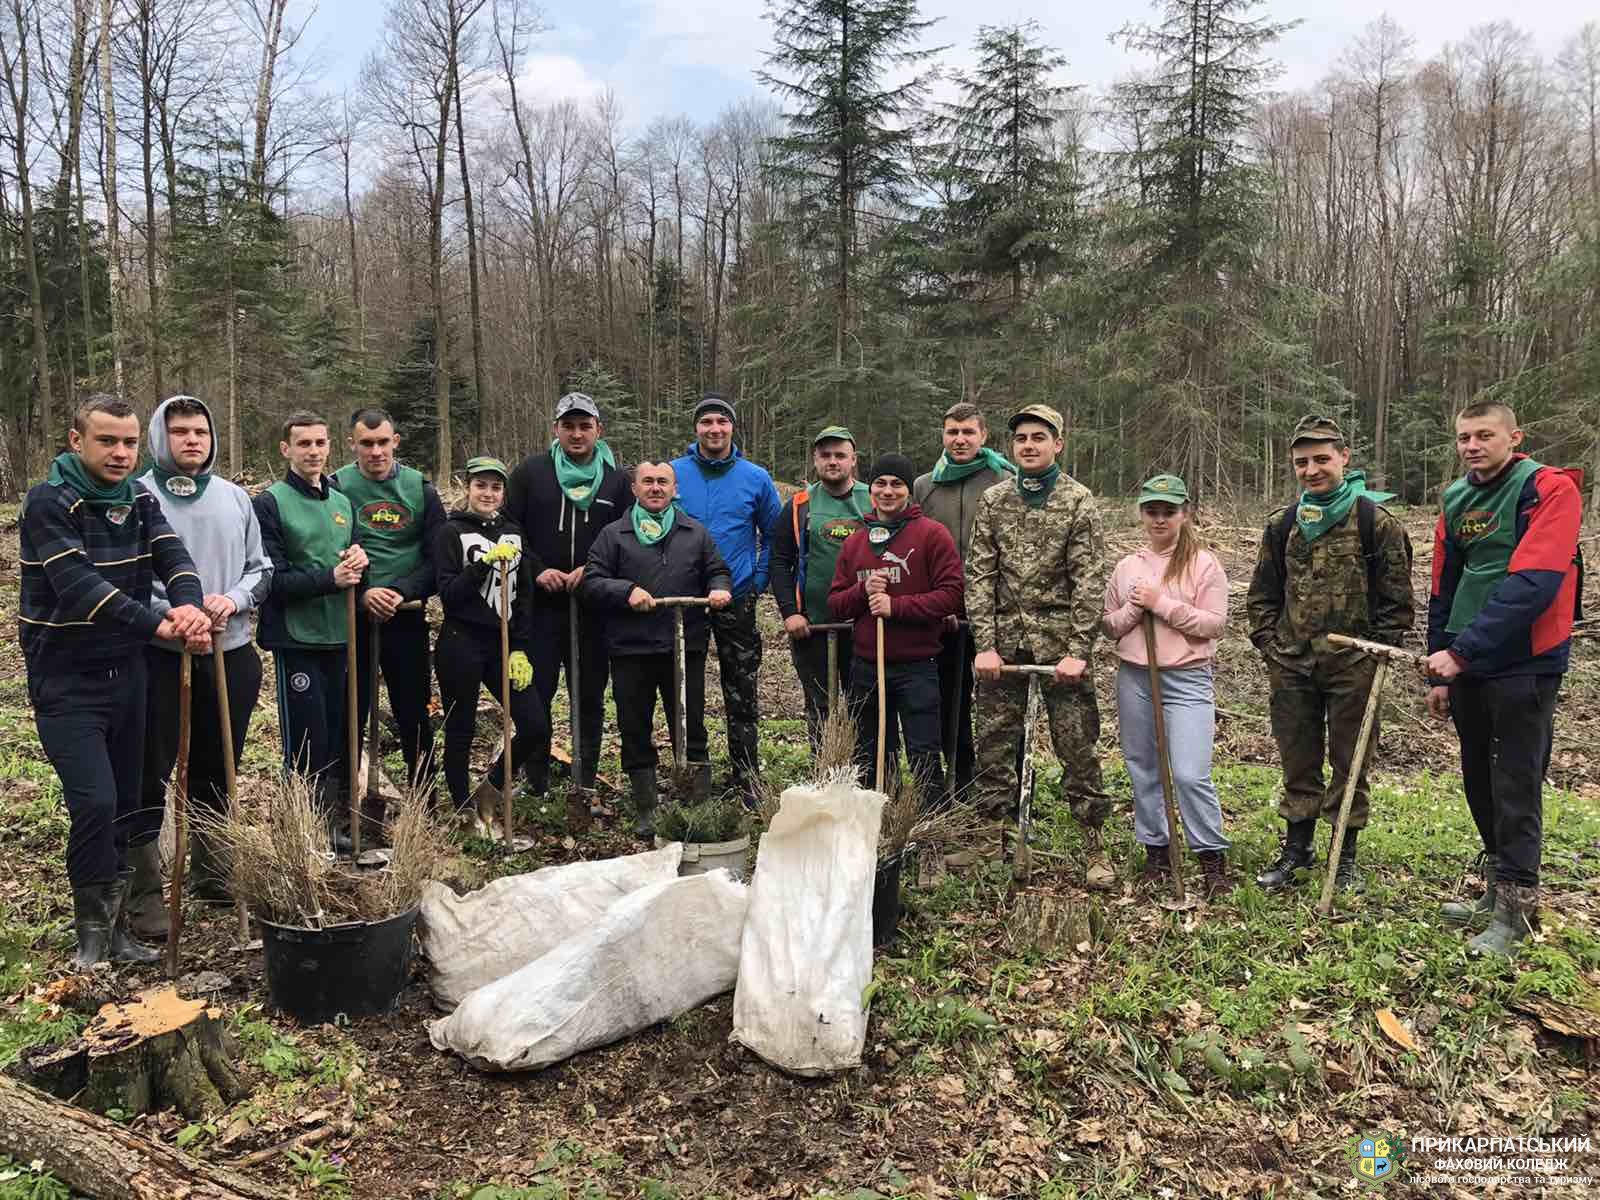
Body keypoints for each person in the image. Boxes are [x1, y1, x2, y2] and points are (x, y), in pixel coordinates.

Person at [20, 393, 212, 967]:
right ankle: (92, 936)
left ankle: (121, 928)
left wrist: (190, 606)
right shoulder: (49, 502)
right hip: (67, 682)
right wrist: (164, 624)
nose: (121, 453)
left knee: (130, 804)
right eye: (107, 441)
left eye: (129, 442)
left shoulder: (139, 498)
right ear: (77, 441)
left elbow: (173, 557)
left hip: (128, 675)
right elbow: (82, 589)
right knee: (96, 803)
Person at [1424, 401, 1583, 956]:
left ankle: (1518, 912)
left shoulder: (1550, 489)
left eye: (1484, 435)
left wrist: (1462, 652)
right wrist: (1440, 664)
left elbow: (1535, 581)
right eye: (1464, 436)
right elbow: (1445, 584)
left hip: (1526, 661)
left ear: (1514, 436)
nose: (1472, 445)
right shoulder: (1455, 498)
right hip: (1468, 664)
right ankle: (1495, 892)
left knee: (1515, 782)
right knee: (1479, 778)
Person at [1245, 414, 1413, 894]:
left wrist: (1374, 654)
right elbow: (1262, 596)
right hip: (1292, 666)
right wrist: (1271, 647)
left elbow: (1397, 602)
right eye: (1302, 462)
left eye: (1322, 459)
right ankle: (1297, 851)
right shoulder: (1282, 526)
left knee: (1351, 762)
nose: (1312, 469)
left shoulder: (1374, 523)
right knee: (1298, 760)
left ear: (1343, 458)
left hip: (1353, 670)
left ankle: (1344, 856)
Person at [130, 395, 272, 929]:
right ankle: (144, 890)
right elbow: (127, 583)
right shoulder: (137, 495)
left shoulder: (236, 499)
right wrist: (176, 617)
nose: (192, 440)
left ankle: (214, 870)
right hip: (161, 657)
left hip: (229, 654)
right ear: (158, 438)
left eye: (200, 432)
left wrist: (232, 599)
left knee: (219, 764)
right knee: (152, 769)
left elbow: (262, 569)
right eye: (180, 432)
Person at [968, 404, 1114, 890]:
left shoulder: (1079, 501)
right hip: (1004, 649)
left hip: (1060, 649)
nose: (1028, 445)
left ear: (1058, 443)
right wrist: (985, 644)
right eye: (1021, 438)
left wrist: (1078, 651)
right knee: (993, 743)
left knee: (1077, 745)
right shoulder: (995, 501)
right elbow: (980, 576)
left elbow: (1090, 580)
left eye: (1038, 437)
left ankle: (1094, 841)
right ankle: (994, 835)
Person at [581, 462, 733, 837]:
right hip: (631, 647)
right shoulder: (614, 534)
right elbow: (592, 580)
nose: (655, 488)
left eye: (662, 482)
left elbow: (717, 569)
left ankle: (697, 805)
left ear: (674, 488)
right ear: (634, 488)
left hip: (685, 646)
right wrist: (626, 591)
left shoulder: (694, 533)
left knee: (691, 722)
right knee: (634, 725)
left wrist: (717, 587)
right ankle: (647, 807)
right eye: (647, 481)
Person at [1102, 475, 1231, 895]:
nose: (1159, 519)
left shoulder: (1204, 565)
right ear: (1141, 513)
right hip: (1136, 677)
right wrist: (1135, 613)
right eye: (1152, 511)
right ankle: (1156, 851)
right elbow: (1109, 625)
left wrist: (1163, 605)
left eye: (1168, 511)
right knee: (1144, 768)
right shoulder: (1127, 567)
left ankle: (1210, 857)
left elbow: (1214, 625)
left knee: (1191, 773)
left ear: (1184, 513)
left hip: (1186, 678)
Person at [503, 393, 632, 805]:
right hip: (540, 605)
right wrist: (536, 567)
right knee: (536, 697)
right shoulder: (530, 474)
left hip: (593, 609)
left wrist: (593, 571)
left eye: (585, 426)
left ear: (598, 429)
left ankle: (586, 778)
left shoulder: (616, 481)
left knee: (589, 696)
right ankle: (537, 780)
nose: (577, 434)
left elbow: (625, 535)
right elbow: (510, 527)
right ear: (556, 429)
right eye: (569, 426)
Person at [254, 411, 369, 850]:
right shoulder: (270, 503)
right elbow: (272, 580)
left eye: (320, 443)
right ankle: (302, 832)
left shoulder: (342, 503)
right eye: (303, 444)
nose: (313, 452)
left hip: (342, 637)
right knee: (306, 742)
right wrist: (330, 578)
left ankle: (336, 825)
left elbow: (350, 561)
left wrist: (360, 562)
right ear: (286, 450)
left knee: (340, 735)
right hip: (297, 639)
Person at [333, 409, 446, 826]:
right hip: (351, 617)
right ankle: (344, 806)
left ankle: (425, 807)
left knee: (413, 711)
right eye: (367, 443)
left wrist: (400, 591)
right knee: (350, 711)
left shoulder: (420, 489)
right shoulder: (336, 488)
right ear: (353, 444)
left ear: (396, 441)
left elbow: (440, 560)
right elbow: (325, 549)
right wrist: (364, 594)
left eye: (383, 442)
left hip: (407, 616)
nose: (376, 451)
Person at [829, 454, 964, 801]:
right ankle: (881, 818)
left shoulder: (932, 535)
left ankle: (931, 824)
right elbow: (837, 603)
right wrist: (862, 592)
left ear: (909, 491)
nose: (888, 492)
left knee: (923, 752)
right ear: (870, 488)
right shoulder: (856, 542)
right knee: (872, 751)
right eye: (881, 484)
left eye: (897, 484)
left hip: (918, 665)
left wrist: (896, 607)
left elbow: (951, 595)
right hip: (867, 666)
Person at [671, 395, 782, 800]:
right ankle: (695, 772)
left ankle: (746, 775)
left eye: (722, 421)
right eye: (706, 422)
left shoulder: (755, 477)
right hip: (684, 602)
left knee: (741, 685)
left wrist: (759, 579)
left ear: (733, 428)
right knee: (687, 688)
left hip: (737, 595)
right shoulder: (674, 474)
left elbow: (775, 533)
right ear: (696, 429)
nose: (714, 429)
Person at [432, 457, 544, 829]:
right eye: (481, 486)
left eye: (496, 487)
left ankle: (491, 789)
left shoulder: (514, 532)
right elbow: (448, 594)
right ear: (468, 488)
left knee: (534, 724)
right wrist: (482, 564)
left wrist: (521, 647)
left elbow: (524, 594)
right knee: (460, 728)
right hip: (460, 642)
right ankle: (463, 807)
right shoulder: (451, 533)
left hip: (503, 645)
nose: (488, 493)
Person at [913, 402, 1017, 799]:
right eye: (952, 432)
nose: (960, 440)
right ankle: (960, 773)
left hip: (996, 611)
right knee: (948, 697)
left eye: (968, 432)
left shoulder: (1004, 479)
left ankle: (1001, 782)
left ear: (983, 436)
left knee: (998, 700)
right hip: (944, 615)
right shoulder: (926, 486)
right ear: (943, 436)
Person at [770, 425, 870, 748]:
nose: (832, 461)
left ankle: (867, 779)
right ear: (815, 459)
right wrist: (790, 612)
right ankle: (823, 775)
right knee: (820, 708)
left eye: (840, 455)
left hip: (865, 627)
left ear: (853, 460)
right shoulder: (799, 504)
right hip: (812, 628)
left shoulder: (873, 499)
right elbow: (779, 560)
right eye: (825, 455)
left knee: (865, 706)